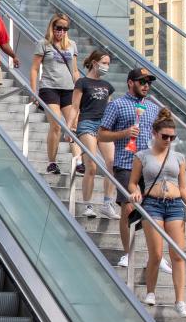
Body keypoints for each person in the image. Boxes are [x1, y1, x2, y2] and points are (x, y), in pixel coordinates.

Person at [130, 108, 186, 317]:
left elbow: (184, 187)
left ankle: (180, 300)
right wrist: (136, 193)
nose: (169, 140)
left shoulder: (179, 158)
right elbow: (133, 182)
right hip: (152, 204)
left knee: (178, 254)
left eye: (172, 137)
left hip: (175, 204)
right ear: (155, 134)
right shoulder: (142, 156)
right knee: (157, 254)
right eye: (165, 136)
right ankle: (150, 291)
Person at [98, 68, 167, 272]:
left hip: (150, 167)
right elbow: (102, 135)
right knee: (128, 209)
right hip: (126, 163)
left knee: (154, 212)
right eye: (142, 81)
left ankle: (157, 256)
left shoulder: (154, 109)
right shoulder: (117, 105)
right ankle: (128, 253)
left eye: (149, 82)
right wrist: (125, 133)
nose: (146, 85)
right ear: (130, 83)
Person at [31, 14, 80, 176]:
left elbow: (74, 70)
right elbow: (34, 69)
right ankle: (52, 162)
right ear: (52, 27)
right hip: (49, 88)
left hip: (68, 89)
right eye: (58, 27)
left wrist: (81, 89)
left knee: (73, 125)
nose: (61, 31)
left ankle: (78, 160)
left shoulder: (71, 45)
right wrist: (33, 91)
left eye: (65, 28)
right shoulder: (43, 44)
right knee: (57, 124)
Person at [74, 49, 117, 220]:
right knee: (91, 165)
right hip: (86, 123)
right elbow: (75, 106)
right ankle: (87, 204)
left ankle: (107, 204)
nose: (106, 66)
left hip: (104, 126)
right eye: (104, 63)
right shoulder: (82, 82)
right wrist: (70, 127)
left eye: (108, 64)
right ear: (94, 63)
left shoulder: (108, 86)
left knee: (112, 164)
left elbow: (110, 108)